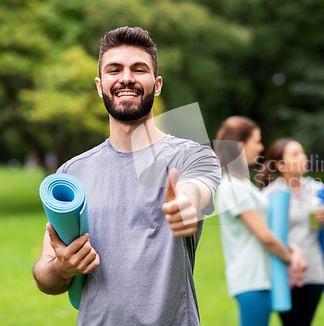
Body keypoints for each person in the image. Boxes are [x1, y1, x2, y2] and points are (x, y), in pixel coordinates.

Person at [32, 26, 221, 326]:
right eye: (114, 69)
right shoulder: (71, 174)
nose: (126, 78)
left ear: (157, 84)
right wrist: (62, 268)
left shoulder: (192, 156)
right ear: (100, 84)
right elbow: (44, 273)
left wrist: (185, 202)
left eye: (139, 69)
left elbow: (196, 190)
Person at [215, 116, 307, 326]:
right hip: (251, 279)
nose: (261, 146)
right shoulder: (232, 186)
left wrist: (294, 249)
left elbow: (268, 228)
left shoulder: (243, 185)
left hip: (261, 278)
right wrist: (290, 259)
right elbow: (265, 236)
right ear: (241, 146)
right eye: (257, 141)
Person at [259, 138, 324, 326]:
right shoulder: (269, 196)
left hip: (314, 272)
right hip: (284, 274)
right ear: (280, 164)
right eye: (295, 154)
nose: (303, 157)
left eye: (302, 152)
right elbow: (265, 235)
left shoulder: (319, 190)